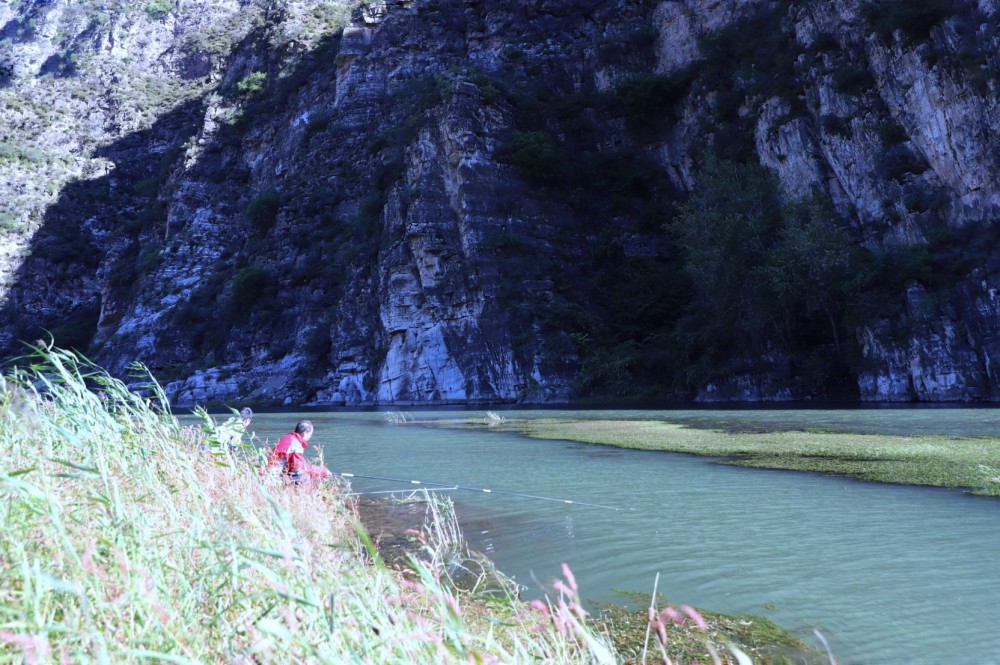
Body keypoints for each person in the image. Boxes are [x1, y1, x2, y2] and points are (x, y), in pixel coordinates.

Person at [267, 419, 332, 483]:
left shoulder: (287, 437)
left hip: (270, 472)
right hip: (273, 478)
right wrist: (323, 471)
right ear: (305, 433)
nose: (310, 437)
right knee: (305, 477)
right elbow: (299, 468)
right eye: (310, 434)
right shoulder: (295, 445)